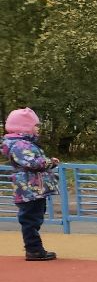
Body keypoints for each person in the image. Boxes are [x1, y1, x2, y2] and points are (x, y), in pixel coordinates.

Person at [5, 108, 59, 261]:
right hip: (29, 189)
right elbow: (32, 163)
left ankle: (34, 248)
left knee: (34, 217)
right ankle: (34, 250)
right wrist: (50, 162)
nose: (37, 128)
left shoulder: (24, 144)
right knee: (30, 218)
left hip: (33, 188)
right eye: (35, 125)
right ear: (24, 127)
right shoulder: (21, 145)